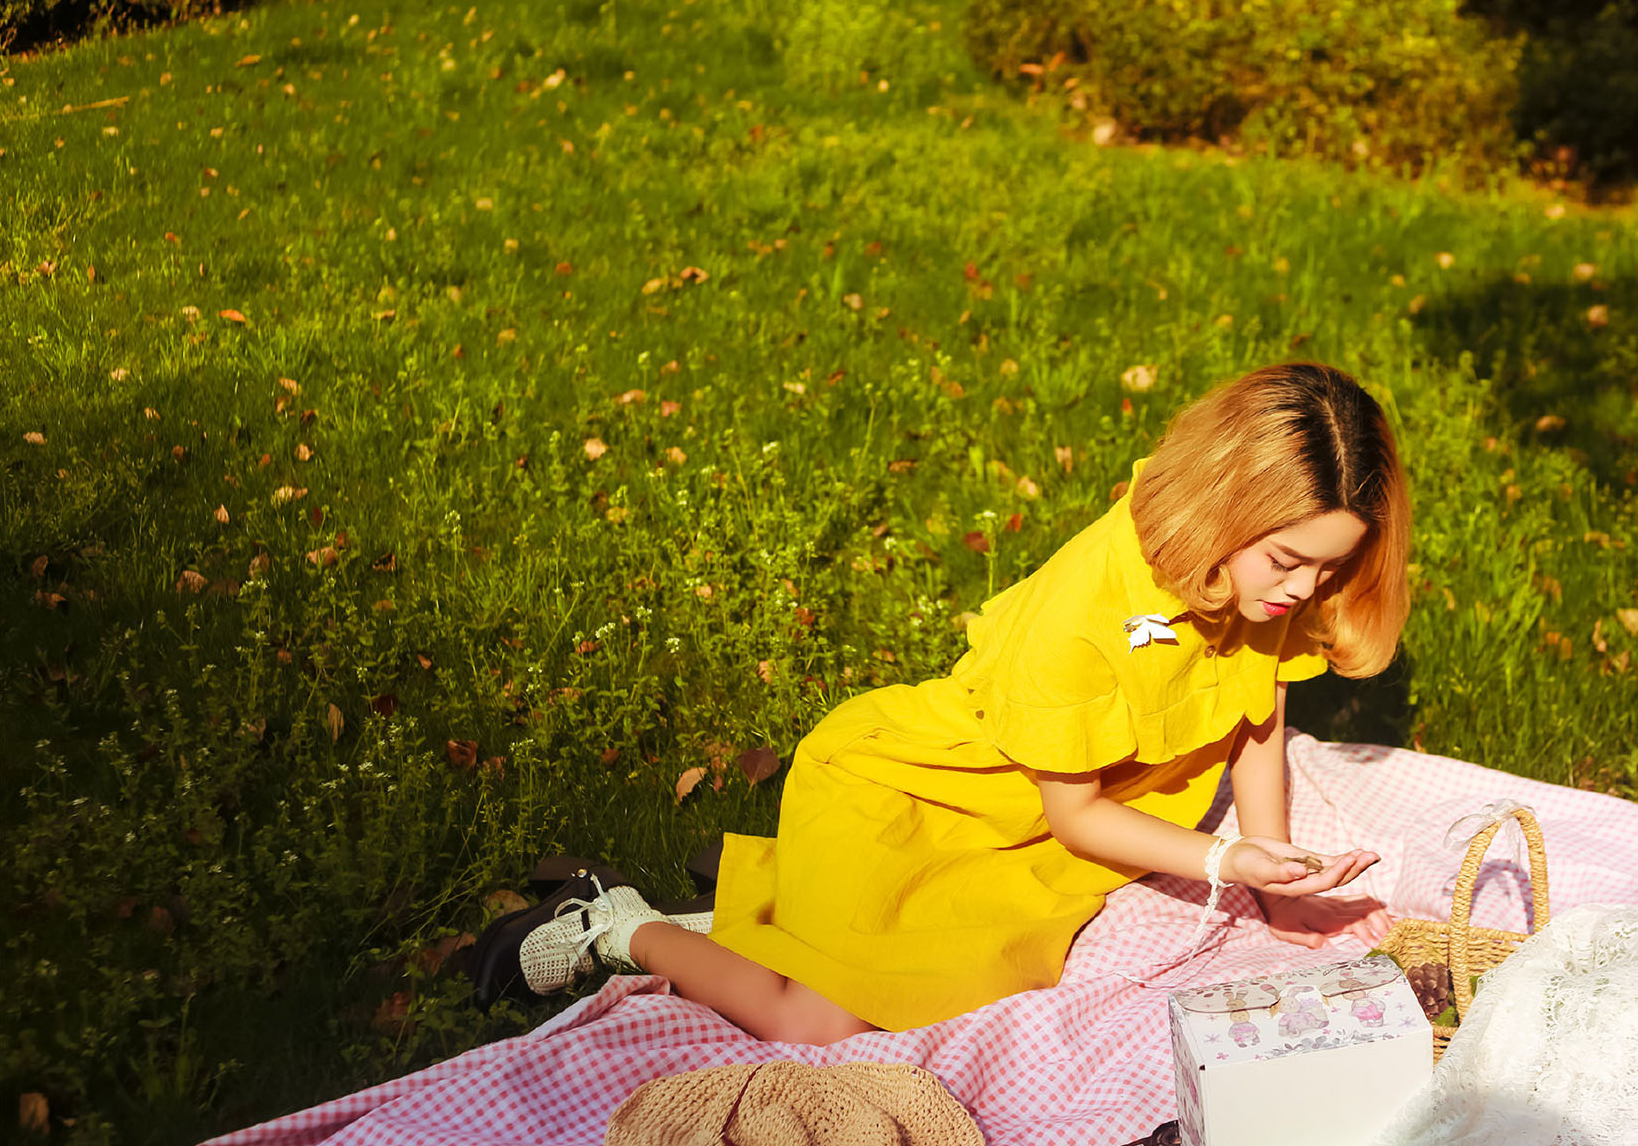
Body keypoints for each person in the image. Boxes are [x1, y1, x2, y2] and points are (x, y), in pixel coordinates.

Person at [470, 361, 1410, 1047]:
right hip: (922, 795)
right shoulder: (1082, 615)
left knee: (944, 969)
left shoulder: (1255, 582)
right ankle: (618, 923)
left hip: (1019, 839)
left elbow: (1257, 720)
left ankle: (776, 900)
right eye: (1288, 562)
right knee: (821, 1025)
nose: (1303, 590)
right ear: (1221, 511)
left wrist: (1275, 893)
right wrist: (1224, 856)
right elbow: (1077, 817)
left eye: (1331, 566)